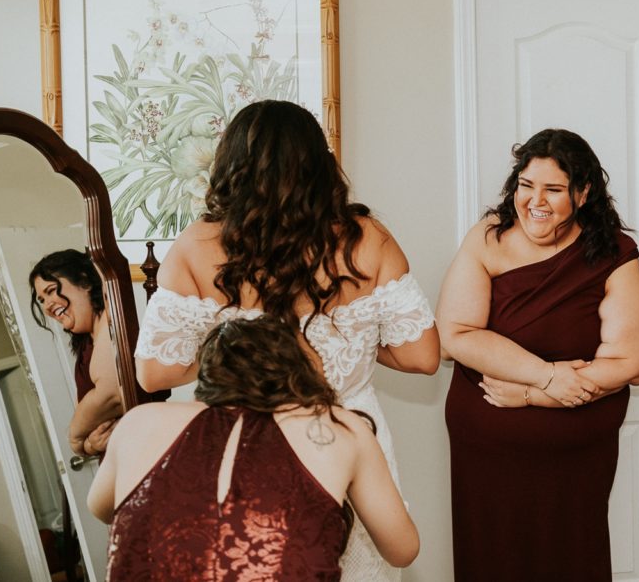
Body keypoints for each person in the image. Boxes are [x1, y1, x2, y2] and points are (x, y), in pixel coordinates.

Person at [133, 100, 440, 582]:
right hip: (348, 436)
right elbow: (421, 357)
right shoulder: (370, 239)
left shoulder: (197, 245)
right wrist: (349, 340)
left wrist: (235, 352)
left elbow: (155, 372)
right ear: (321, 164)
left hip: (243, 442)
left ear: (230, 165)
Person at [437, 128, 639, 581]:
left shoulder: (614, 253)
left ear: (582, 192)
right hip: (487, 457)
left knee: (572, 560)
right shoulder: (487, 238)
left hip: (575, 462)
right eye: (526, 185)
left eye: (553, 189)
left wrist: (536, 395)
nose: (535, 200)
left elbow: (632, 362)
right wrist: (547, 374)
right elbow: (456, 333)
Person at [89, 316, 419, 580]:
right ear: (295, 373)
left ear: (209, 375)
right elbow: (403, 550)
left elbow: (102, 508)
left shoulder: (139, 422)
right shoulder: (338, 427)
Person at [30, 249, 122, 456]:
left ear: (85, 281)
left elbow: (110, 394)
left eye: (51, 290)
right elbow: (89, 415)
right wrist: (89, 446)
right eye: (41, 300)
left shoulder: (112, 319)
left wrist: (74, 438)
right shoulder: (87, 346)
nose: (46, 306)